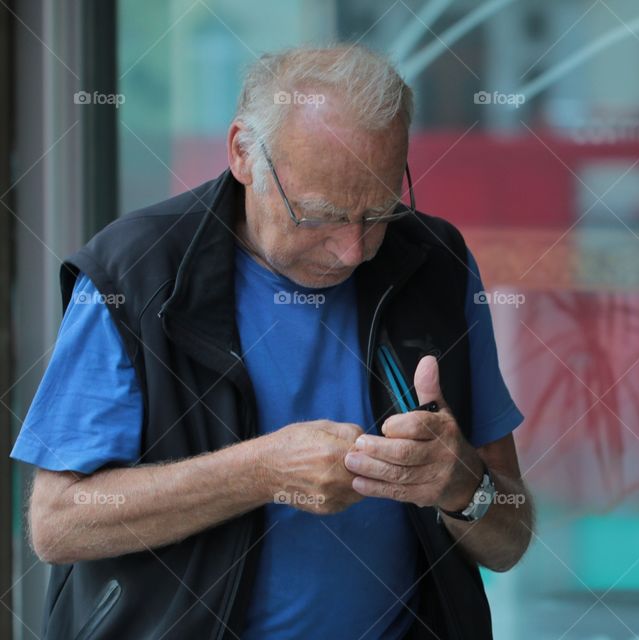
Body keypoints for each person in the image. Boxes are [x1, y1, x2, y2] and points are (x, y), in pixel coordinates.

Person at [11, 45, 533, 639]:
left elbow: (509, 539)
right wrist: (258, 472)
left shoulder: (436, 264)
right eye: (319, 215)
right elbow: (57, 525)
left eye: (380, 210)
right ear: (241, 153)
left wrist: (464, 486)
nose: (353, 250)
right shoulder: (132, 275)